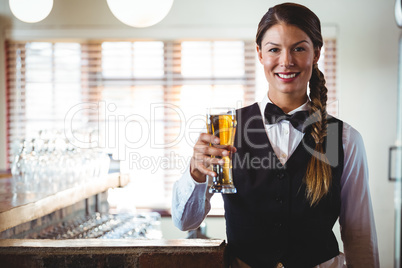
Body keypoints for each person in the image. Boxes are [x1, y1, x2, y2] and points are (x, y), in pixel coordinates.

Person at [171, 2, 379, 268]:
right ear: (259, 54)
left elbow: (359, 235)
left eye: (299, 48)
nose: (286, 61)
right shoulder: (225, 131)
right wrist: (195, 173)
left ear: (316, 53)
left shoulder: (346, 139)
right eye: (274, 50)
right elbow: (185, 222)